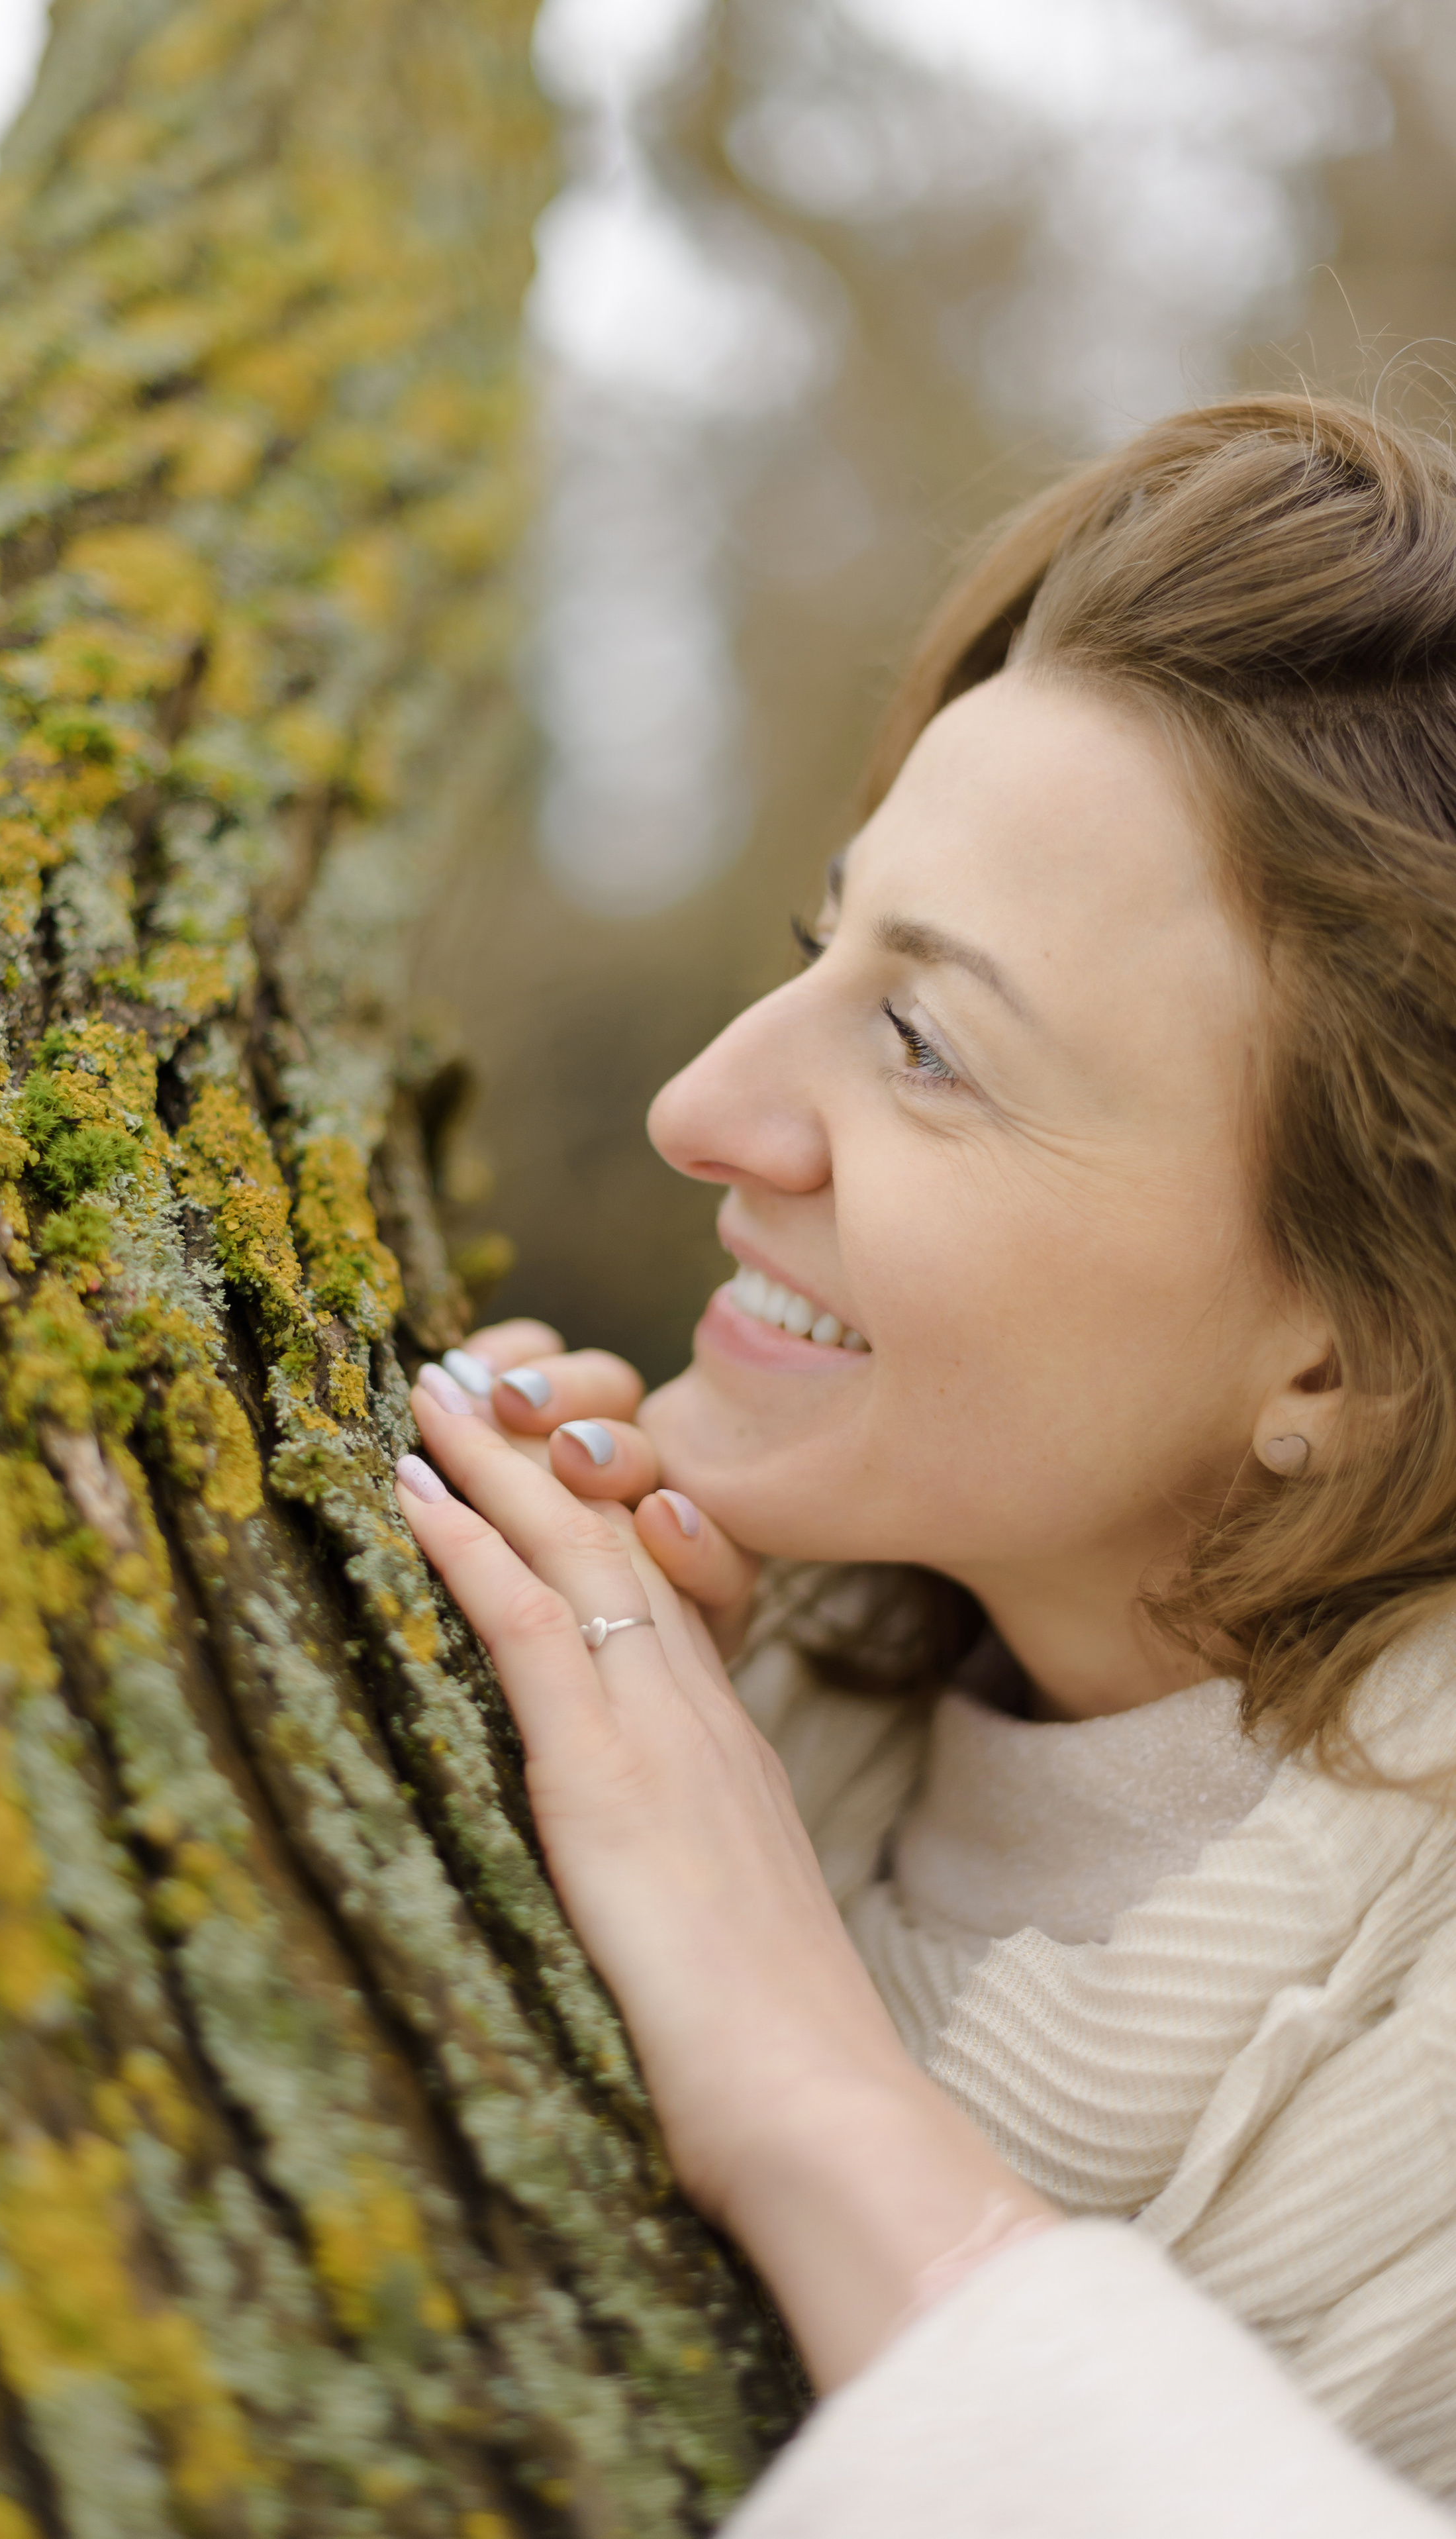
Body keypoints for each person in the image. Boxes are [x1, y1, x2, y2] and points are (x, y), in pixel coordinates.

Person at [397, 394, 1456, 2527]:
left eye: (923, 1046)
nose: (704, 1108)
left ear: (1350, 1343)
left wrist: (796, 2074)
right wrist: (708, 1762)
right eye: (825, 950)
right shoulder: (752, 1686)